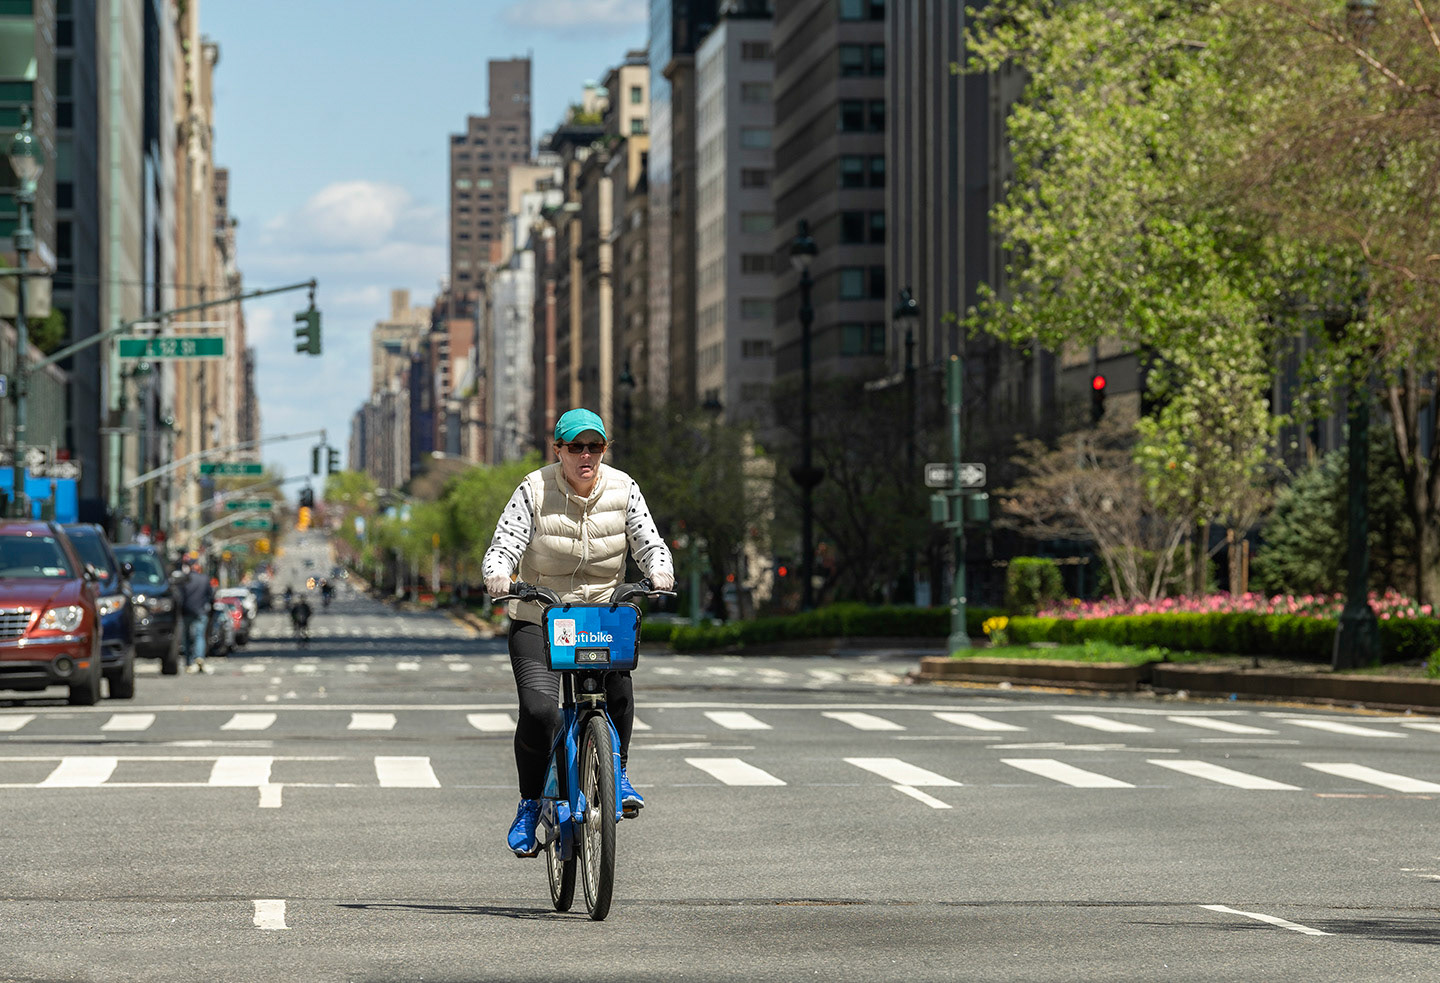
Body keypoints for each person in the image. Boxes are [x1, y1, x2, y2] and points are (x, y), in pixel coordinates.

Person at [482, 407, 675, 857]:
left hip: (600, 619)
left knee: (620, 694)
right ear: (559, 450)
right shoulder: (533, 490)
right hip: (540, 618)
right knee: (540, 712)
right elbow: (505, 544)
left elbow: (649, 543)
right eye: (575, 447)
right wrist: (498, 573)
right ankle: (530, 804)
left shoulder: (624, 488)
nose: (585, 455)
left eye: (594, 446)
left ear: (604, 449)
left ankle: (618, 770)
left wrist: (660, 570)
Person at [177, 559, 214, 674]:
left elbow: (179, 597)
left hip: (187, 612)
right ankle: (199, 657)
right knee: (199, 636)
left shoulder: (184, 580)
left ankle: (189, 661)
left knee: (187, 637)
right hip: (201, 611)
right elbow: (211, 595)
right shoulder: (204, 579)